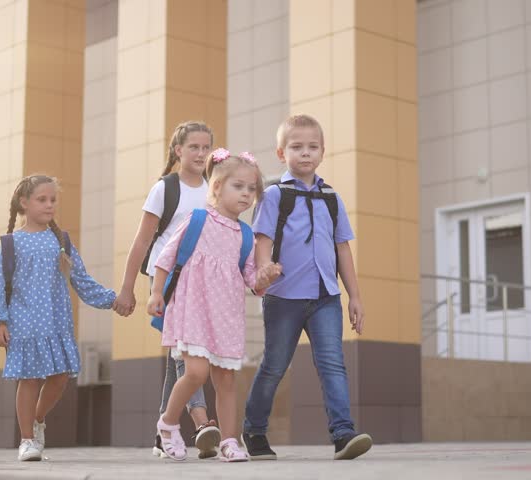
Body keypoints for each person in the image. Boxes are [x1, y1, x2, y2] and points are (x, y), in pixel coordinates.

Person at [242, 114, 372, 460]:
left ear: (322, 152)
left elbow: (342, 248)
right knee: (274, 366)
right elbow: (262, 240)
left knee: (333, 364)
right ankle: (254, 430)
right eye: (297, 147)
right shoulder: (273, 195)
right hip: (283, 297)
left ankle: (343, 434)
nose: (305, 153)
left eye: (312, 147)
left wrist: (355, 297)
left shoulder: (332, 198)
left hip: (326, 297)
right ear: (281, 153)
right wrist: (264, 271)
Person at [147, 148, 282, 462]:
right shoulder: (197, 220)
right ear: (218, 187)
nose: (247, 194)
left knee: (226, 381)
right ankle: (168, 423)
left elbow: (251, 280)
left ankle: (230, 441)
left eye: (252, 189)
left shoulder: (245, 234)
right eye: (239, 186)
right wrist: (155, 293)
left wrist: (265, 276)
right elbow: (166, 257)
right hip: (193, 309)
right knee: (195, 373)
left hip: (226, 316)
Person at [0, 175, 117, 461]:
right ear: (24, 203)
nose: (49, 205)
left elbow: (81, 280)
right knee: (30, 380)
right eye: (42, 199)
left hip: (57, 323)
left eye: (53, 200)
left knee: (60, 378)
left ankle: (37, 419)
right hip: (24, 324)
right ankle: (27, 440)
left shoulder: (61, 241)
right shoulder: (11, 244)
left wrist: (113, 300)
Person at [113, 121, 221, 458]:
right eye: (193, 147)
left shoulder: (213, 188)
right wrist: (128, 288)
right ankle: (201, 422)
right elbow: (142, 241)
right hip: (167, 280)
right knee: (183, 350)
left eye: (206, 148)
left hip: (200, 282)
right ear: (178, 151)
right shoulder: (165, 188)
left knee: (180, 352)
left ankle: (164, 431)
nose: (200, 154)